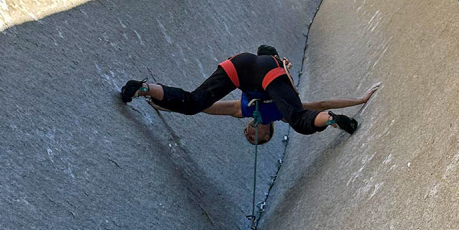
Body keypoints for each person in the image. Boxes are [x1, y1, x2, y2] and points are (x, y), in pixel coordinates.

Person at [119, 45, 378, 145]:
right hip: (265, 73)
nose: (250, 133)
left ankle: (143, 88)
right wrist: (359, 99)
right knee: (299, 119)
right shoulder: (279, 113)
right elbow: (320, 103)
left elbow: (202, 107)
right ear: (268, 133)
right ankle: (332, 119)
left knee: (192, 102)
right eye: (256, 138)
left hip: (241, 67)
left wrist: (163, 105)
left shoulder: (240, 110)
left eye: (248, 136)